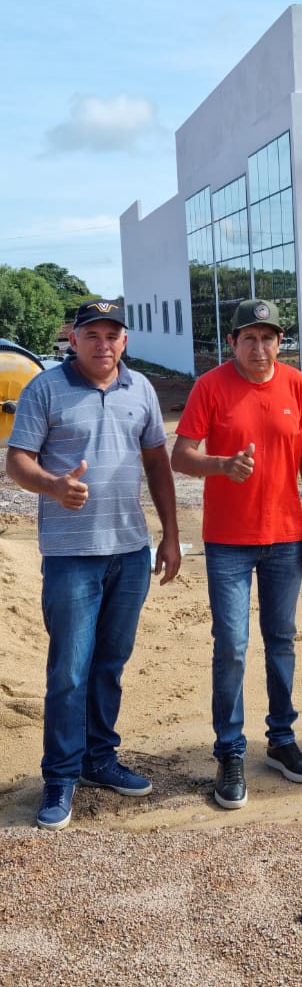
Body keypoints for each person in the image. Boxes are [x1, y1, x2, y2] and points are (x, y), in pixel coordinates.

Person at [6, 299, 181, 831]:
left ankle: (99, 759)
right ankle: (59, 777)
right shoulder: (45, 388)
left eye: (113, 334)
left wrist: (170, 536)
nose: (103, 343)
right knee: (68, 672)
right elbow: (17, 461)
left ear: (124, 340)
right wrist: (54, 487)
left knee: (110, 664)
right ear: (73, 339)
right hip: (70, 557)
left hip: (129, 552)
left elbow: (157, 463)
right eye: (92, 334)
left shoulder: (142, 389)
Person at [171, 299, 302, 810]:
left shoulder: (295, 384)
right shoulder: (210, 386)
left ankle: (281, 741)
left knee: (281, 640)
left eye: (269, 338)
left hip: (285, 536)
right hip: (228, 542)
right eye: (249, 338)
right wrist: (220, 466)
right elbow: (181, 454)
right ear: (232, 342)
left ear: (280, 341)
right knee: (232, 646)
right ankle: (230, 751)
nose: (259, 347)